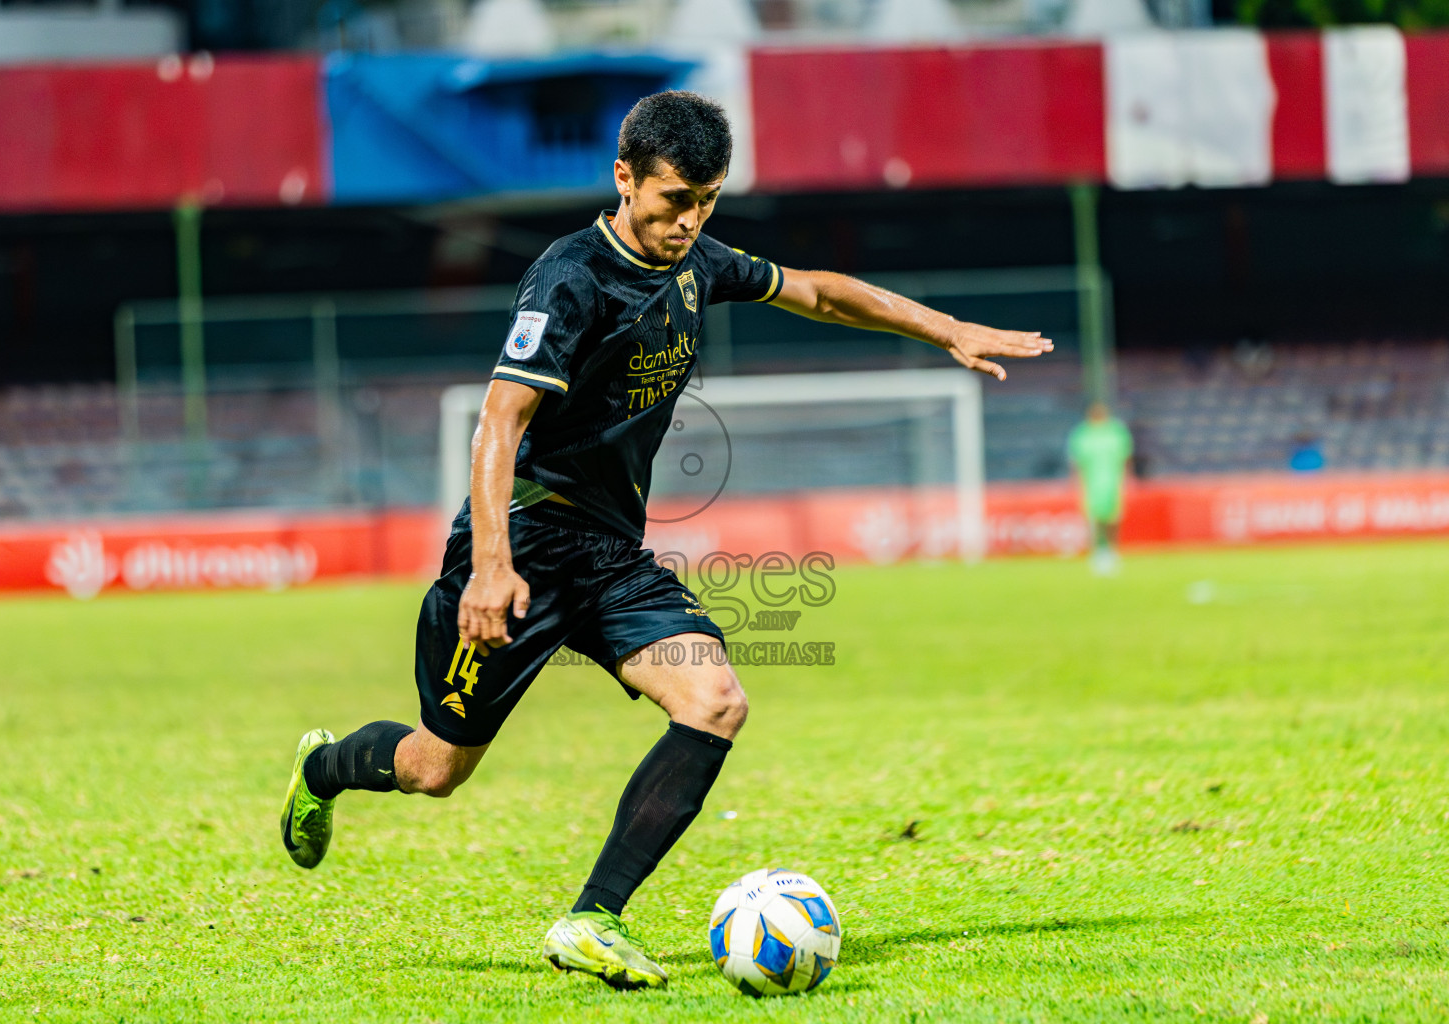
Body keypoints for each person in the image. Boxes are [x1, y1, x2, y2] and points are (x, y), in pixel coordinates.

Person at [278, 90, 1052, 990]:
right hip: (526, 547)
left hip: (611, 556)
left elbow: (816, 291)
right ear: (625, 178)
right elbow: (499, 420)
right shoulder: (570, 277)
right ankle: (323, 767)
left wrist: (944, 327)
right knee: (435, 767)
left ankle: (592, 918)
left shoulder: (697, 260)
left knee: (715, 700)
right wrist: (490, 567)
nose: (689, 222)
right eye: (674, 199)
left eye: (707, 202)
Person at [1067, 401, 1134, 575]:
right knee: (1094, 518)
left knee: (1113, 518)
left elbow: (1126, 457)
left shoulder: (1116, 431)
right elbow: (1076, 461)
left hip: (1113, 481)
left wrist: (1128, 478)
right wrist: (1075, 481)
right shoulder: (1082, 433)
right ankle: (1097, 552)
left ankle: (1112, 551)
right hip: (1091, 484)